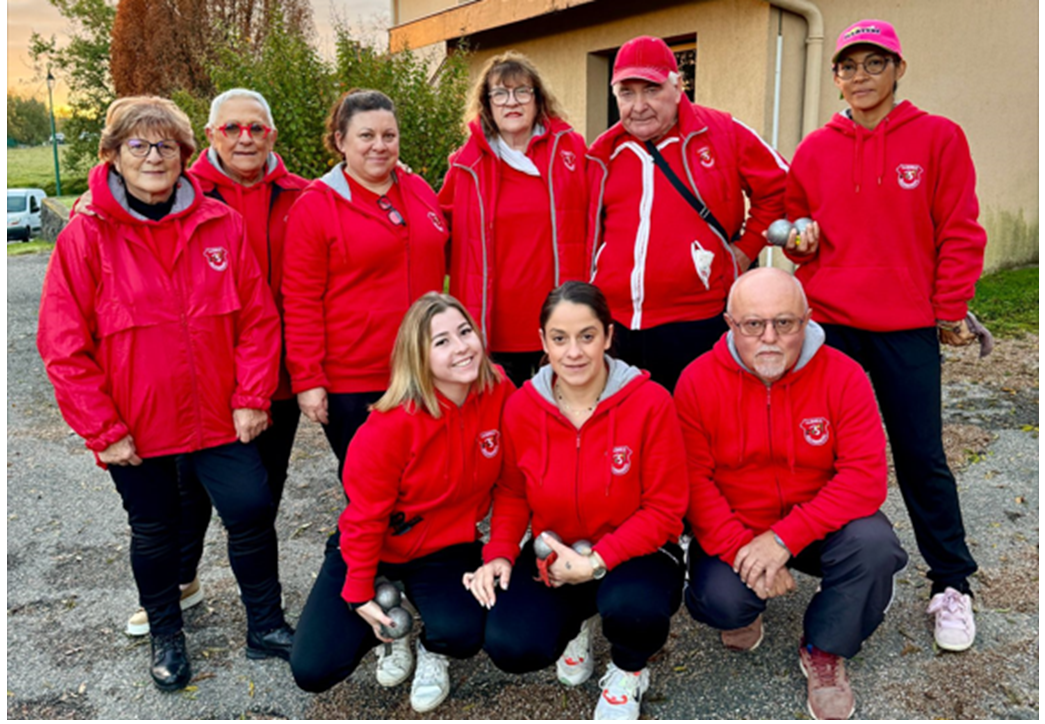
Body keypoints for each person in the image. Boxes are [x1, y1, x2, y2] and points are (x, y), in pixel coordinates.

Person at [36, 96, 294, 692]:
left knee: (252, 508)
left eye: (166, 147)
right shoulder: (86, 236)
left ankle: (266, 625)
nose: (154, 157)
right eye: (138, 146)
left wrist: (253, 394)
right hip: (137, 424)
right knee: (156, 530)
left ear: (185, 156)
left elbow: (258, 319)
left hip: (219, 416)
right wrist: (104, 430)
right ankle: (167, 635)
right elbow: (62, 345)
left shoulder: (219, 224)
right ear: (113, 156)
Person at [784, 19, 984, 652]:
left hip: (905, 327)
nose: (860, 77)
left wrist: (948, 307)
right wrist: (797, 238)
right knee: (821, 456)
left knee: (921, 456)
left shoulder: (938, 138)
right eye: (849, 67)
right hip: (832, 327)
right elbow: (796, 229)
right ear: (836, 77)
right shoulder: (816, 147)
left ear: (899, 69)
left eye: (874, 63)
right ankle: (842, 570)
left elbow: (960, 229)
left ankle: (951, 585)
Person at [674, 268, 908, 720]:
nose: (769, 338)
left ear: (807, 320)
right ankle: (746, 608)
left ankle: (825, 647)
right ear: (729, 324)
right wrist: (742, 548)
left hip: (819, 525)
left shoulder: (845, 375)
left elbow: (865, 477)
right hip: (738, 526)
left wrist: (782, 541)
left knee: (876, 547)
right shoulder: (697, 381)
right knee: (722, 602)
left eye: (784, 323)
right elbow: (692, 483)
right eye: (752, 324)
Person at [122, 88, 309, 638]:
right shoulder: (182, 188)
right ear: (210, 136)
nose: (244, 138)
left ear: (272, 134)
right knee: (185, 494)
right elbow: (131, 167)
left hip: (272, 377)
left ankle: (261, 610)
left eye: (255, 128)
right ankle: (181, 581)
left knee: (255, 496)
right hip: (198, 379)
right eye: (231, 129)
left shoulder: (303, 195)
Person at [468, 281, 688, 721]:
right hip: (557, 550)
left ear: (608, 336)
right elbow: (512, 492)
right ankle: (576, 624)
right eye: (560, 338)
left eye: (587, 336)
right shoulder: (521, 407)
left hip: (638, 550)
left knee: (634, 611)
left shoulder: (649, 402)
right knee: (511, 645)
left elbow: (665, 508)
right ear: (542, 341)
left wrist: (598, 561)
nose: (574, 352)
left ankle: (628, 671)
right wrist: (500, 554)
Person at [290, 293, 514, 712]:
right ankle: (391, 633)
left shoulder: (499, 389)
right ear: (418, 356)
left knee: (464, 631)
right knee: (313, 669)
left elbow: (511, 485)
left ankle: (433, 649)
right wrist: (359, 592)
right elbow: (364, 518)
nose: (461, 346)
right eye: (441, 341)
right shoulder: (388, 426)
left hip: (446, 548)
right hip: (377, 548)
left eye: (465, 332)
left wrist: (500, 546)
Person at [586, 35, 788, 392]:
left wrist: (742, 252)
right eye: (627, 93)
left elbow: (782, 188)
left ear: (677, 86)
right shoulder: (604, 153)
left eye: (651, 89)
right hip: (616, 326)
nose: (639, 105)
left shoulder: (722, 133)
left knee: (694, 432)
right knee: (628, 435)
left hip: (696, 322)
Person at [282, 89, 449, 474]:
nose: (380, 146)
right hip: (356, 379)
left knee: (429, 478)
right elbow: (300, 299)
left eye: (389, 136)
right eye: (366, 136)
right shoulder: (315, 206)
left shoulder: (419, 190)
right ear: (340, 141)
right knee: (374, 486)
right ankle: (355, 538)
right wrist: (308, 379)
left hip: (425, 368)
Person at [440, 51, 588, 386]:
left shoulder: (571, 152)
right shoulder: (465, 166)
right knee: (502, 427)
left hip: (561, 323)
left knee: (560, 425)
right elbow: (436, 230)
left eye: (522, 91)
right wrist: (397, 181)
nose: (512, 102)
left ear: (538, 99)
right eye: (500, 93)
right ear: (487, 103)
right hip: (493, 328)